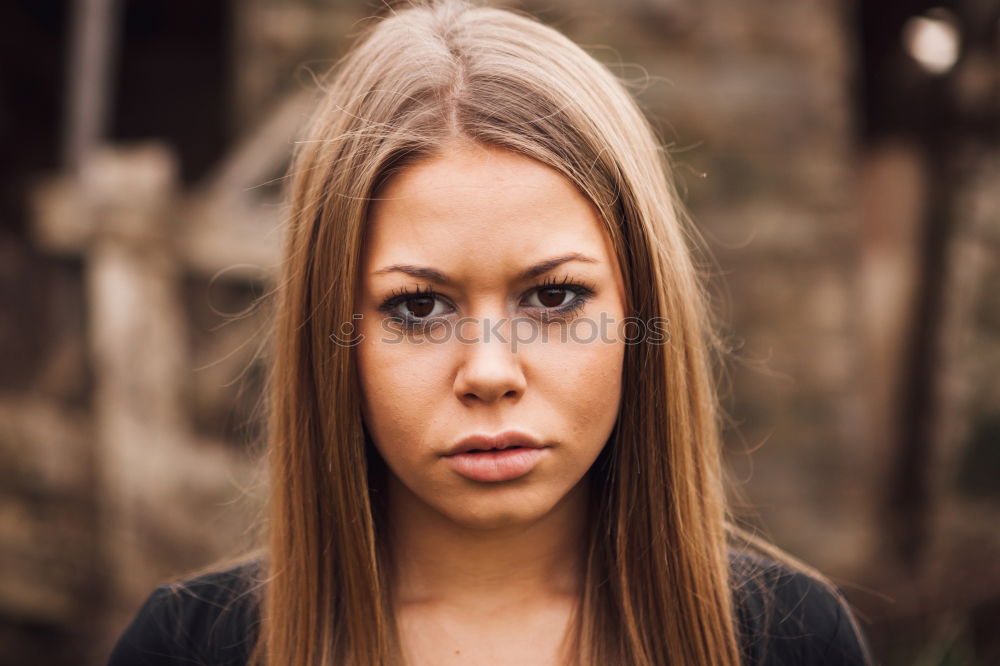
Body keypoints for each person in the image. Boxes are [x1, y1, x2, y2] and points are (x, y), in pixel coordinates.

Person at [107, 1, 873, 664]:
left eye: (554, 296)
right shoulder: (190, 648)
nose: (489, 371)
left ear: (643, 316)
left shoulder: (786, 642)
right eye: (416, 308)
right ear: (330, 333)